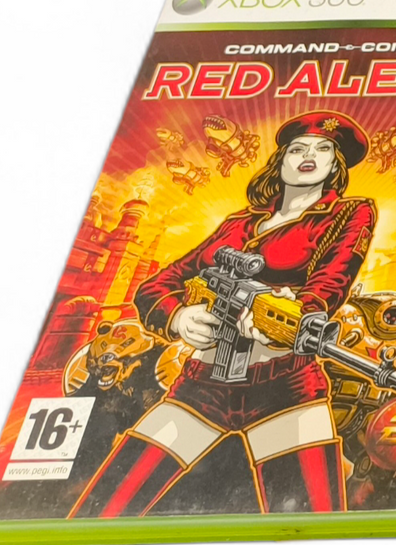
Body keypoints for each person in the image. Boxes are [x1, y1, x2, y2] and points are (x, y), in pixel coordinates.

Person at [70, 114, 376, 518]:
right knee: (105, 508)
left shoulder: (349, 213)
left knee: (313, 522)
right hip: (202, 383)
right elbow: (155, 286)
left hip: (286, 386)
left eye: (323, 150)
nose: (310, 156)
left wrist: (295, 314)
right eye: (298, 148)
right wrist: (179, 318)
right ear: (281, 160)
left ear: (336, 166)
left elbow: (332, 280)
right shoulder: (237, 224)